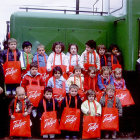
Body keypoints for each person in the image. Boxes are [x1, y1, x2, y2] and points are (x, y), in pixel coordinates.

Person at [21, 62, 46, 137]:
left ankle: (37, 132)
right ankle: (30, 132)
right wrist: (25, 95)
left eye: (36, 69)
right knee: (30, 116)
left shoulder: (40, 76)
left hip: (38, 99)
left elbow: (43, 85)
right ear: (30, 69)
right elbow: (22, 86)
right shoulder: (26, 77)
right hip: (29, 100)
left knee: (37, 116)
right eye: (33, 69)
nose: (34, 71)